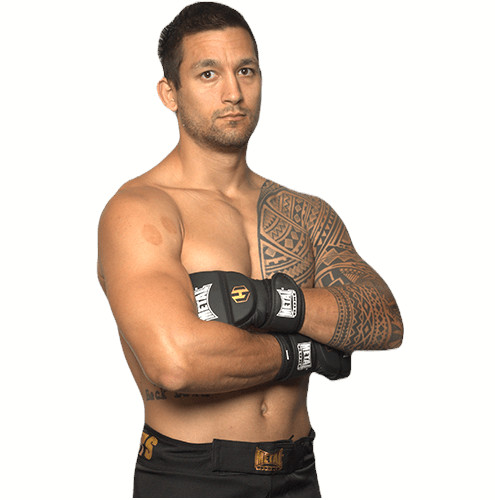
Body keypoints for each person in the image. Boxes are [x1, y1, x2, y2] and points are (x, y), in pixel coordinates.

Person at [97, 2, 404, 497]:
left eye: (246, 71)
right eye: (208, 74)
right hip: (191, 473)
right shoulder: (141, 210)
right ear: (169, 93)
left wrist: (259, 303)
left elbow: (383, 319)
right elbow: (176, 362)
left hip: (298, 471)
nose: (234, 92)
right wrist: (307, 349)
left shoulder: (305, 213)